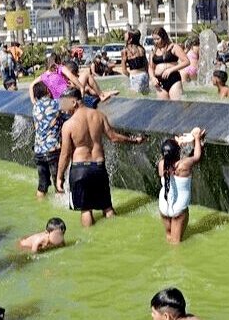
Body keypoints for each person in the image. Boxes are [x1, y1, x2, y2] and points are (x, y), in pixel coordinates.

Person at [57, 88, 145, 227]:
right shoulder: (99, 115)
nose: (63, 108)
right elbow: (114, 137)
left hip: (80, 169)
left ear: (73, 102)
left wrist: (59, 177)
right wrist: (134, 140)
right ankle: (116, 234)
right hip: (98, 167)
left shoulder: (68, 125)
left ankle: (90, 241)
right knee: (107, 207)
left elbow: (65, 154)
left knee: (86, 210)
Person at [158, 128, 205, 244]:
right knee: (176, 244)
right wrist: (197, 138)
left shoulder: (161, 164)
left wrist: (177, 144)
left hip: (164, 205)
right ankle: (175, 262)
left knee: (169, 236)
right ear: (177, 152)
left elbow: (169, 155)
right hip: (178, 208)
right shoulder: (184, 165)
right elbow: (197, 156)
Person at [31, 82, 62, 198]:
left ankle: (39, 204)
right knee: (59, 183)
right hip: (53, 150)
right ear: (48, 91)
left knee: (42, 186)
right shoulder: (55, 103)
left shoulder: (35, 107)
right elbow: (74, 103)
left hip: (38, 151)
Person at [150, 27, 190, 100]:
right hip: (159, 81)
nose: (155, 41)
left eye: (158, 39)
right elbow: (150, 67)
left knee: (176, 105)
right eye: (154, 39)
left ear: (164, 37)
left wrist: (171, 69)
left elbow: (186, 61)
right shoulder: (153, 50)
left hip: (173, 79)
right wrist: (152, 77)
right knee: (163, 107)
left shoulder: (173, 47)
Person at [122, 30, 151, 95]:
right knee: (146, 97)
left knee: (135, 98)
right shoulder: (141, 48)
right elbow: (146, 65)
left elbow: (124, 70)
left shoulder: (125, 50)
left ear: (130, 39)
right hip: (144, 75)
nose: (124, 37)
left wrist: (131, 76)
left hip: (134, 76)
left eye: (126, 36)